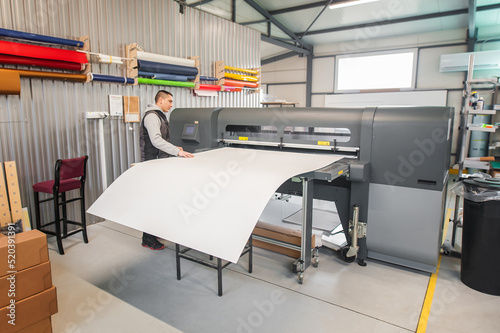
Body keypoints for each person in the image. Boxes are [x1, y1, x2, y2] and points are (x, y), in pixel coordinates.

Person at [140, 90, 194, 250]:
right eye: (169, 101)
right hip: (152, 164)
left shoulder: (160, 116)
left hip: (160, 162)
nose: (171, 105)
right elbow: (156, 140)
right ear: (160, 100)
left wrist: (173, 148)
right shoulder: (151, 116)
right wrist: (177, 152)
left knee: (160, 199)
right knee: (153, 201)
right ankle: (147, 238)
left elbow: (161, 140)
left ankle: (153, 232)